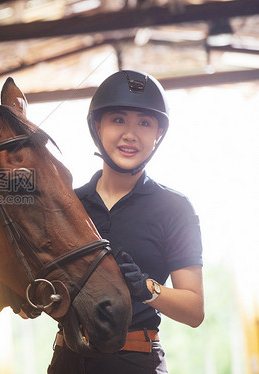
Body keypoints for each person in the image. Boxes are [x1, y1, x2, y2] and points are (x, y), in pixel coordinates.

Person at [47, 70, 204, 373]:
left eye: (144, 123)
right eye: (118, 119)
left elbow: (194, 311)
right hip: (68, 359)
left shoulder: (174, 208)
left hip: (137, 361)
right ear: (98, 126)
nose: (130, 134)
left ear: (158, 133)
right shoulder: (68, 204)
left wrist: (146, 288)